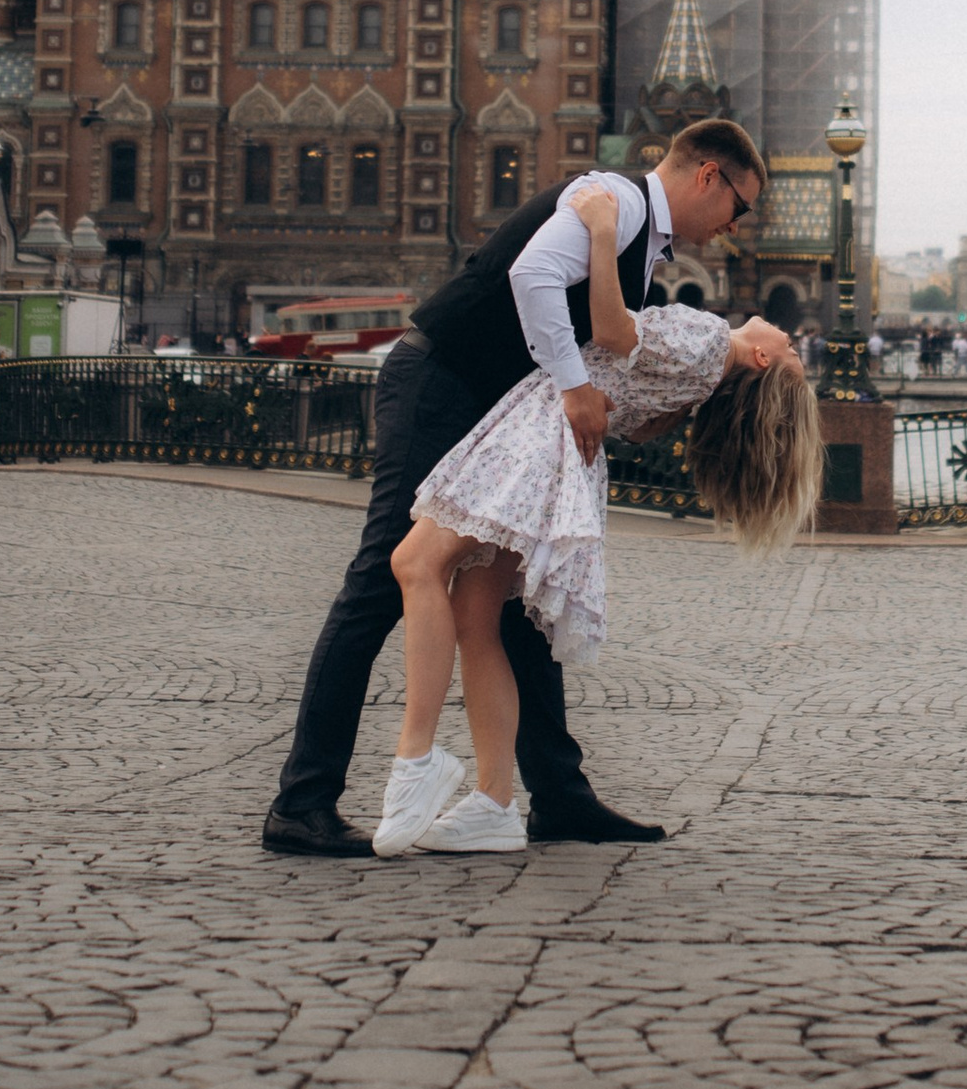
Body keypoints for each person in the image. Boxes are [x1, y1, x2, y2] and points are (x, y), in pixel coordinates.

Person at [260, 116, 770, 857]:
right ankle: (301, 803)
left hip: (493, 406)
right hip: (444, 382)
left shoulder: (637, 237)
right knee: (383, 577)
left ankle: (554, 795)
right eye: (739, 207)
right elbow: (528, 278)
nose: (733, 227)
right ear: (708, 176)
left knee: (517, 604)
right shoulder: (616, 200)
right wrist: (573, 388)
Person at [375, 187, 817, 851]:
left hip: (535, 446)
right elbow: (631, 406)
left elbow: (611, 330)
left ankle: (418, 759)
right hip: (555, 454)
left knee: (414, 564)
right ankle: (494, 802)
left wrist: (604, 231)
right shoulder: (696, 381)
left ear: (760, 359)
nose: (791, 339)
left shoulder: (707, 343)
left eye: (791, 351)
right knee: (475, 615)